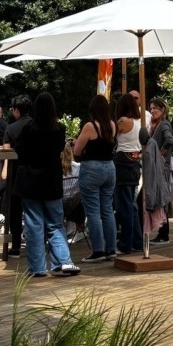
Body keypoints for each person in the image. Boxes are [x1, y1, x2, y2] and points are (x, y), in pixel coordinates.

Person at [10, 92, 79, 279]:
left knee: (34, 225)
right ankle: (63, 261)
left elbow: (20, 151)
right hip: (51, 180)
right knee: (55, 224)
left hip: (30, 181)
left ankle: (38, 267)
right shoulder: (59, 130)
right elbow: (58, 150)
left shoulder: (28, 129)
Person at [73, 95, 117, 262]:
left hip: (92, 168)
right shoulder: (112, 125)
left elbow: (77, 151)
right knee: (107, 209)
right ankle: (111, 248)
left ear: (93, 109)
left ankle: (98, 250)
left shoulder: (90, 126)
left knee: (92, 211)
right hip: (109, 168)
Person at [2, 95, 33, 256]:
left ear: (16, 110)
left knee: (14, 210)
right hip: (36, 173)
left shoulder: (10, 128)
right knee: (34, 210)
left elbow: (6, 153)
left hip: (16, 174)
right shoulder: (38, 126)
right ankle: (37, 244)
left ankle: (15, 247)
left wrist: (5, 170)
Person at [113, 93, 143, 255]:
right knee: (131, 205)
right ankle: (137, 241)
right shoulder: (139, 123)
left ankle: (125, 243)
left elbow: (110, 136)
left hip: (122, 163)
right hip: (134, 162)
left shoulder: (123, 121)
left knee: (123, 206)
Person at [145, 97, 173, 242]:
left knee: (162, 197)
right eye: (150, 108)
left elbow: (169, 140)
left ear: (162, 109)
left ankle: (164, 234)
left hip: (162, 166)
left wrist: (160, 153)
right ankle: (162, 233)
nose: (152, 111)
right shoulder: (155, 125)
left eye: (155, 108)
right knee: (160, 197)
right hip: (157, 165)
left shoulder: (164, 125)